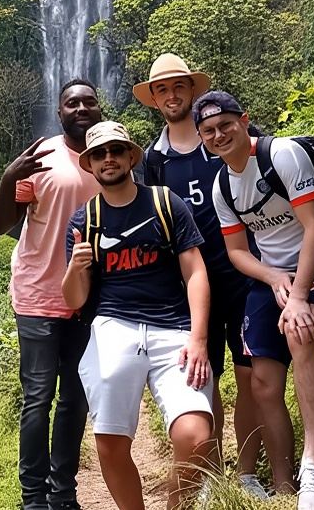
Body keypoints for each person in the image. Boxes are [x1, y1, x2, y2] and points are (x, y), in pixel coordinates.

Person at [194, 90, 314, 510]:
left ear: (244, 119)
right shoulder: (222, 184)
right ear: (202, 139)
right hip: (272, 278)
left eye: (226, 124)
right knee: (263, 382)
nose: (219, 134)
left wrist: (298, 293)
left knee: (301, 334)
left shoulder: (283, 155)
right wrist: (275, 277)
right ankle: (283, 484)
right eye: (209, 131)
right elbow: (238, 252)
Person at [134, 54, 269, 500]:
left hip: (245, 275)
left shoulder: (223, 139)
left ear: (192, 90)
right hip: (190, 287)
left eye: (179, 87)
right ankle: (210, 476)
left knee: (251, 374)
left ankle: (247, 472)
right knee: (201, 379)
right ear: (154, 100)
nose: (171, 96)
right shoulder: (153, 161)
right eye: (162, 89)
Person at [61, 120, 213, 510]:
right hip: (113, 326)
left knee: (196, 435)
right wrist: (76, 268)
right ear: (90, 165)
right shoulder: (83, 223)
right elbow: (74, 299)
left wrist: (198, 338)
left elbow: (195, 271)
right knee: (110, 441)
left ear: (131, 156)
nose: (108, 159)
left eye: (115, 151)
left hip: (174, 328)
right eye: (99, 154)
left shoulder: (165, 203)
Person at [0, 79, 103, 510]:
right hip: (38, 292)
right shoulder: (41, 158)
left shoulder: (110, 156)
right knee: (38, 396)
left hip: (88, 298)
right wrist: (8, 178)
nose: (80, 108)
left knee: (75, 397)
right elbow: (2, 225)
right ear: (60, 113)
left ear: (99, 108)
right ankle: (32, 498)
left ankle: (64, 493)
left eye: (88, 101)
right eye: (72, 103)